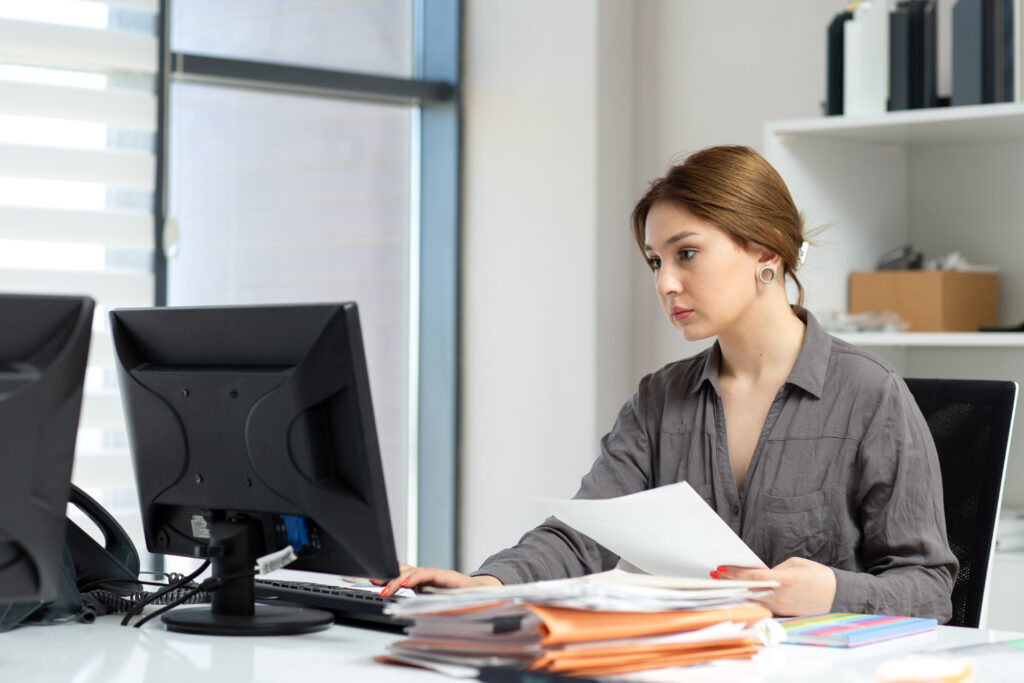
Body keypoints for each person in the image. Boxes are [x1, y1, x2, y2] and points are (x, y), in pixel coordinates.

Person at [374, 145, 958, 621]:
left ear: (766, 252)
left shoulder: (870, 395)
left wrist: (833, 593)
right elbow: (583, 536)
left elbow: (930, 588)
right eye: (657, 262)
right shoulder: (660, 399)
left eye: (687, 254)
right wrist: (485, 583)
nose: (666, 284)